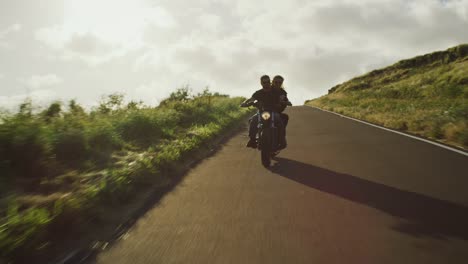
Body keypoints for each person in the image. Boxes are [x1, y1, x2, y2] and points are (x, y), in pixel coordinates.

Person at [242, 75, 284, 148]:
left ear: (270, 82)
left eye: (268, 82)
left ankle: (281, 140)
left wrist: (283, 101)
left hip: (273, 112)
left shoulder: (275, 91)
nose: (266, 84)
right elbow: (252, 99)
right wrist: (245, 102)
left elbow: (281, 97)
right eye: (264, 82)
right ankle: (252, 139)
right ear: (261, 83)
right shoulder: (258, 93)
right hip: (262, 113)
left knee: (280, 121)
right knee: (253, 120)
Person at [271, 75, 291, 149]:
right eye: (276, 82)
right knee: (253, 120)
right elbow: (259, 96)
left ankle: (281, 138)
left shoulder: (282, 92)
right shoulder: (267, 89)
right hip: (265, 112)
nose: (278, 84)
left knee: (284, 117)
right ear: (272, 82)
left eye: (280, 82)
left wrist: (287, 102)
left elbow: (286, 100)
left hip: (276, 113)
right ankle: (254, 138)